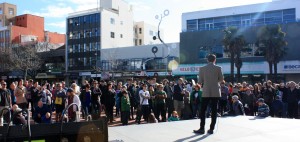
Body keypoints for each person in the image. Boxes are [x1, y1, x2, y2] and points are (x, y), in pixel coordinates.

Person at [194, 54, 224, 135]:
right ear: (215, 60)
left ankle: (202, 128)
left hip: (206, 91)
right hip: (215, 91)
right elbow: (221, 79)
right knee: (214, 111)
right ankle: (211, 129)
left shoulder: (202, 68)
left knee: (203, 110)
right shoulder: (218, 68)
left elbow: (200, 81)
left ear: (207, 60)